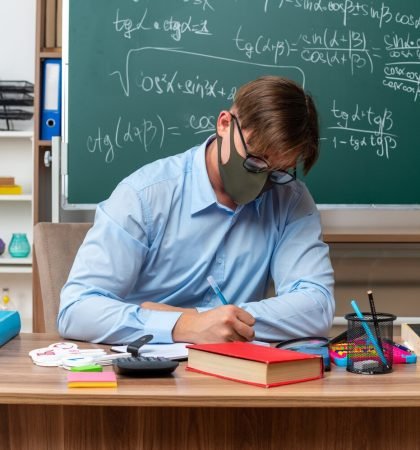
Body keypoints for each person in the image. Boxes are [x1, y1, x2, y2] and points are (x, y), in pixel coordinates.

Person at [58, 76, 335, 345]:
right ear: (225, 124)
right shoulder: (144, 195)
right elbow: (76, 310)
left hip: (236, 374)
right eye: (254, 162)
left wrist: (202, 320)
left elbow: (316, 306)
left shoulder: (290, 198)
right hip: (147, 371)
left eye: (277, 171)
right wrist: (183, 327)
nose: (264, 181)